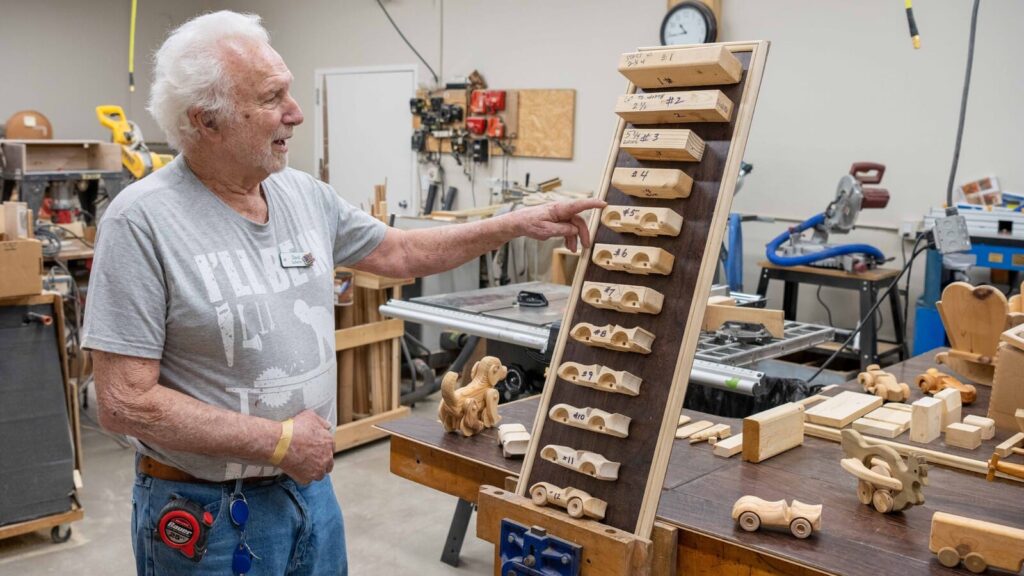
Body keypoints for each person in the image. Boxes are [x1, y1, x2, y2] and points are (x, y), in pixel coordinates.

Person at [82, 10, 603, 576]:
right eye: (272, 96)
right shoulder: (142, 222)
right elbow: (123, 403)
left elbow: (401, 253)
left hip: (309, 496)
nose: (295, 112)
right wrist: (278, 442)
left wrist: (518, 222)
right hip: (203, 517)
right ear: (207, 121)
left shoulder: (301, 194)